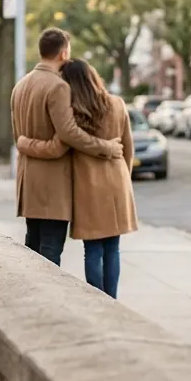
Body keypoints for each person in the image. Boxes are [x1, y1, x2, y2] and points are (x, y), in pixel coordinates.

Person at [16, 59, 138, 297]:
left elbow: (58, 148)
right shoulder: (117, 104)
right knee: (113, 248)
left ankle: (97, 300)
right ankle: (112, 301)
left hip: (87, 188)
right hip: (117, 183)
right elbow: (128, 149)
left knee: (92, 250)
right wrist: (124, 178)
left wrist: (24, 143)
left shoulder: (74, 114)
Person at [11, 28, 123, 265]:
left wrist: (25, 144)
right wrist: (106, 147)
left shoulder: (19, 86)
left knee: (32, 249)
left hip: (28, 184)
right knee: (50, 255)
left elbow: (18, 138)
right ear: (63, 53)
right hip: (52, 187)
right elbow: (68, 135)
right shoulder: (59, 87)